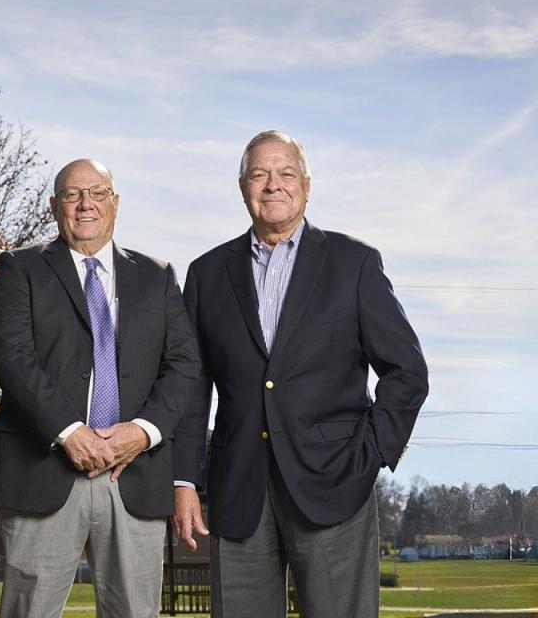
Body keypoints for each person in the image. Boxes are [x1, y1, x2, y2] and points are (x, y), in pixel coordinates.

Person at [173, 130, 429, 617]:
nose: (274, 184)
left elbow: (407, 371)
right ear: (242, 186)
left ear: (307, 185)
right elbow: (190, 388)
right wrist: (184, 479)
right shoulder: (206, 274)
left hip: (336, 482)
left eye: (286, 173)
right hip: (237, 486)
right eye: (260, 174)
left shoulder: (353, 263)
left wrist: (371, 452)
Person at [0, 158, 200, 618]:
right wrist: (69, 432)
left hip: (135, 475)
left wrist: (141, 432)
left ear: (115, 203)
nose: (86, 205)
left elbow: (184, 365)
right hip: (45, 469)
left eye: (98, 193)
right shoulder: (20, 268)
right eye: (72, 194)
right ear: (53, 205)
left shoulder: (156, 275)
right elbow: (10, 356)